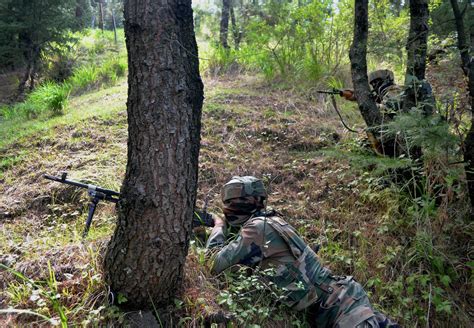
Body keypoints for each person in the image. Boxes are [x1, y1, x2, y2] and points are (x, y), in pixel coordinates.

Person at [206, 176, 399, 328]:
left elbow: (214, 263)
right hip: (342, 301)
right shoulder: (271, 221)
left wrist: (218, 226)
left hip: (342, 308)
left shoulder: (258, 228)